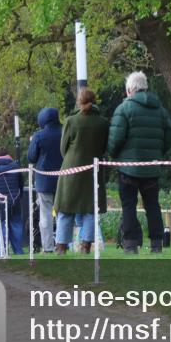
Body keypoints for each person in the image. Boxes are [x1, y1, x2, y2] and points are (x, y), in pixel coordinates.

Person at [108, 72, 171, 254]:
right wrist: (158, 153)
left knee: (129, 205)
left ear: (130, 90)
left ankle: (130, 244)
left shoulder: (124, 109)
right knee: (153, 205)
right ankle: (157, 244)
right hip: (152, 168)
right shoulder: (160, 110)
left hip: (128, 168)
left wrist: (115, 155)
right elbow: (169, 137)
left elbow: (115, 139)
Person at [54, 88, 109, 254]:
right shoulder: (103, 123)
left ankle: (61, 246)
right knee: (91, 209)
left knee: (65, 208)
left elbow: (63, 149)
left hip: (71, 168)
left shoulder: (71, 121)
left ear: (79, 102)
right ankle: (86, 246)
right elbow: (104, 148)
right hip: (93, 170)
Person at [27, 107, 62, 253]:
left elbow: (31, 157)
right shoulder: (65, 131)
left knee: (46, 215)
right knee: (63, 214)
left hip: (44, 181)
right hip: (63, 179)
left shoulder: (39, 135)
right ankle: (63, 245)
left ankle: (48, 247)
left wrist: (32, 142)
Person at [0, 147, 24, 256]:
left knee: (1, 226)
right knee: (16, 225)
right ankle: (18, 251)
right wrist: (19, 196)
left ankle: (3, 251)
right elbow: (21, 184)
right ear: (8, 155)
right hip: (15, 200)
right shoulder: (16, 166)